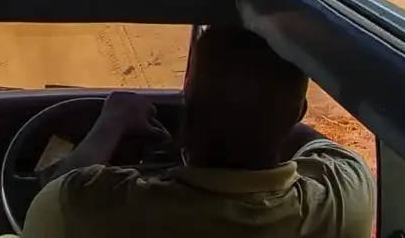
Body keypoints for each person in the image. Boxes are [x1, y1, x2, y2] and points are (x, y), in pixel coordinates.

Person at [22, 25, 374, 238]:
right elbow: (321, 147)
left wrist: (112, 119)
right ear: (298, 110)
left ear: (188, 93)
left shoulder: (95, 210)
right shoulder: (343, 200)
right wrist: (266, 108)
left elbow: (51, 194)